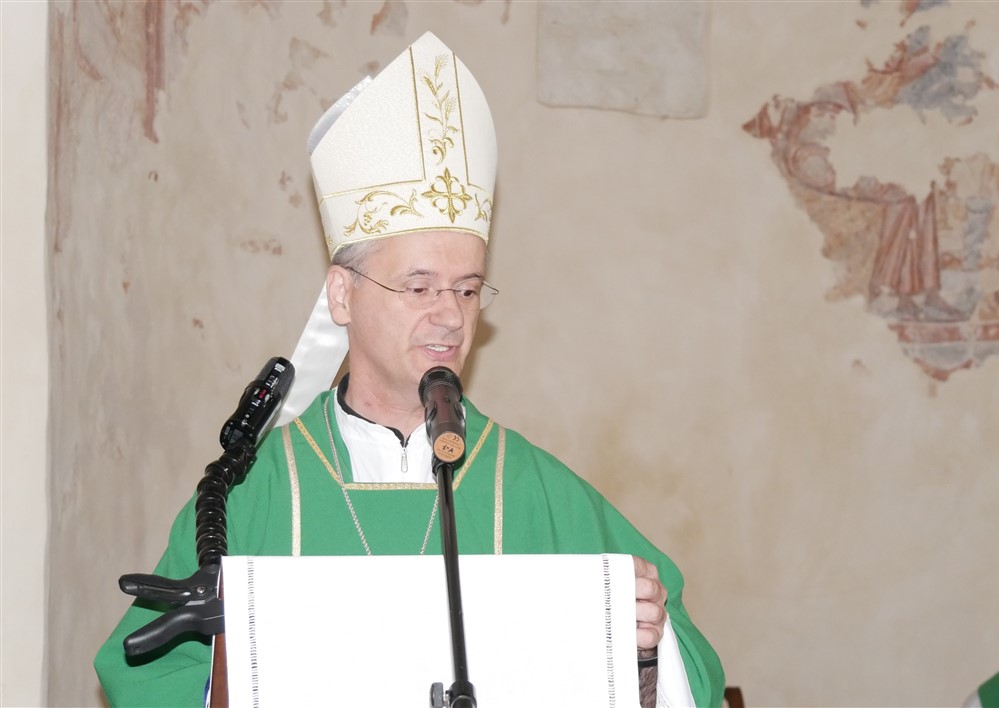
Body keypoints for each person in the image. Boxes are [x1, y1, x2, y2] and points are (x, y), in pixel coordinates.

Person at [94, 31, 724, 707]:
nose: (450, 315)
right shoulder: (256, 495)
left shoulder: (534, 492)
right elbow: (142, 673)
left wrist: (646, 651)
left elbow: (693, 669)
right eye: (419, 286)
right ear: (343, 295)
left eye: (467, 289)